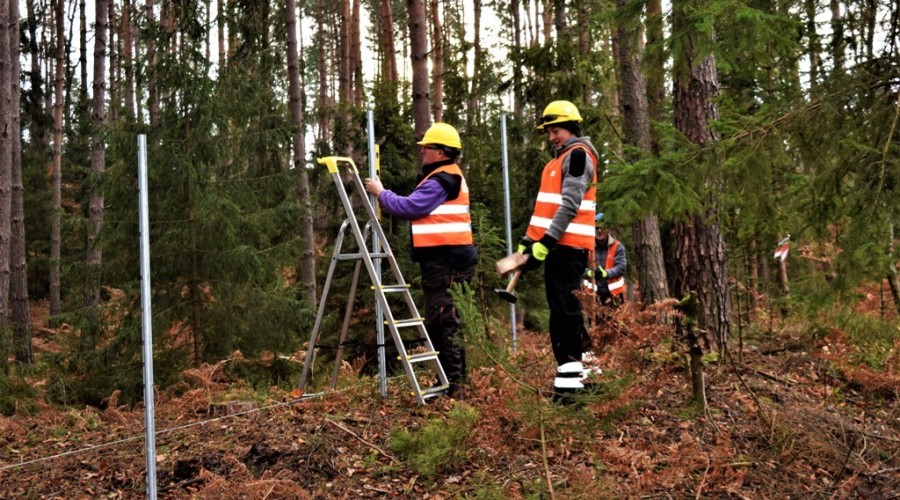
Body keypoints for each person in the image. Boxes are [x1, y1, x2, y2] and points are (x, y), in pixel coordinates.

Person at [363, 122, 478, 398]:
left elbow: (410, 207)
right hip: (444, 261)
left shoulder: (443, 179)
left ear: (441, 152)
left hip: (448, 262)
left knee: (445, 321)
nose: (423, 152)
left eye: (428, 147)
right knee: (443, 321)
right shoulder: (442, 176)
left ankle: (454, 387)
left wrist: (381, 193)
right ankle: (451, 382)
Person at [518, 100, 599, 397]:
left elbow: (570, 204)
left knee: (564, 314)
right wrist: (529, 241)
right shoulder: (557, 161)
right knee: (568, 310)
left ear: (572, 127)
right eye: (549, 131)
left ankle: (570, 389)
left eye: (558, 130)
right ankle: (590, 376)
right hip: (555, 246)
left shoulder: (578, 156)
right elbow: (545, 210)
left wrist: (547, 242)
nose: (553, 136)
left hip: (567, 247)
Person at [586, 212, 627, 307]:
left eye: (602, 227)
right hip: (593, 295)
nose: (599, 230)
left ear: (608, 229)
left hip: (614, 295)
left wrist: (606, 273)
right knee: (595, 322)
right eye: (596, 228)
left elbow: (621, 267)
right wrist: (589, 273)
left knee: (616, 321)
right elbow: (580, 267)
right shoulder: (588, 247)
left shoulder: (617, 246)